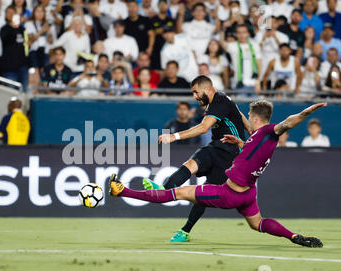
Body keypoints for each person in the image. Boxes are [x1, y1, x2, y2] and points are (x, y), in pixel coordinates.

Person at [111, 100, 327, 248]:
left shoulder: (268, 130)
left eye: (250, 116)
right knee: (257, 223)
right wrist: (240, 142)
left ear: (256, 117)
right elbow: (253, 153)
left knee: (180, 192)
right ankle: (293, 236)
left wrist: (309, 111)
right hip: (248, 194)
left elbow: (289, 121)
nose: (248, 118)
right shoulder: (260, 139)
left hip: (229, 193)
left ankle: (123, 191)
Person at [142, 75, 251, 243]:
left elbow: (204, 127)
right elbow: (239, 114)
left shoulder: (220, 101)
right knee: (191, 164)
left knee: (205, 194)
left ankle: (185, 231)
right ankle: (164, 190)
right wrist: (251, 130)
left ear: (207, 89)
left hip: (231, 154)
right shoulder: (220, 101)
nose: (194, 97)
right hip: (216, 146)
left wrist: (174, 136)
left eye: (196, 92)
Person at [220, 24, 261, 94]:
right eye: (239, 33)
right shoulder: (233, 46)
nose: (241, 35)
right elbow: (222, 43)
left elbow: (259, 64)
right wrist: (223, 30)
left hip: (253, 84)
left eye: (244, 32)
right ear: (236, 34)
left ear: (248, 33)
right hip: (239, 84)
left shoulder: (254, 45)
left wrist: (258, 82)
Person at [0, 5, 29, 90]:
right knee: (11, 96)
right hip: (10, 69)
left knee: (24, 94)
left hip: (23, 68)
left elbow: (26, 45)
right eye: (8, 12)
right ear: (5, 15)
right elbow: (4, 39)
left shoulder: (22, 29)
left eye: (13, 12)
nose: (10, 14)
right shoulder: (4, 29)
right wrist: (14, 26)